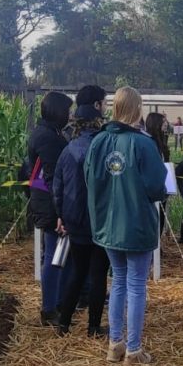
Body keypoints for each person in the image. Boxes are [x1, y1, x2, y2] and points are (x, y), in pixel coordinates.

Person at [85, 87, 168, 365]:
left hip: (107, 224)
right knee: (135, 285)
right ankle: (133, 349)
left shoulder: (98, 141)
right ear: (138, 108)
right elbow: (157, 186)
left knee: (118, 281)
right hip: (136, 223)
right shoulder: (144, 143)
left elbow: (90, 179)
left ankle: (114, 344)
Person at [53, 104, 109, 337]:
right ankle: (93, 327)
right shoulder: (106, 147)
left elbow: (57, 186)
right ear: (98, 122)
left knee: (77, 271)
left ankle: (63, 323)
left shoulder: (69, 149)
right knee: (98, 274)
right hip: (101, 218)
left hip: (75, 219)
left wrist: (61, 214)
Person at [27, 91, 74, 327]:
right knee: (54, 256)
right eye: (68, 111)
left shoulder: (48, 132)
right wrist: (60, 213)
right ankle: (50, 308)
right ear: (58, 112)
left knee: (57, 254)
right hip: (50, 206)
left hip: (47, 203)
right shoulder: (48, 137)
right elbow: (53, 177)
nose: (70, 115)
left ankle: (58, 303)